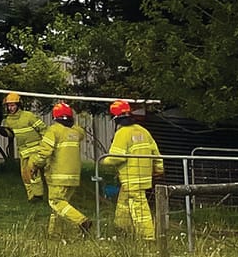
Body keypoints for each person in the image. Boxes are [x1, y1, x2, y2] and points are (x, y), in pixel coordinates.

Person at [25, 102, 91, 236]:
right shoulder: (76, 132)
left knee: (56, 202)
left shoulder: (54, 131)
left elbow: (44, 152)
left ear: (55, 117)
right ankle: (54, 234)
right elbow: (80, 130)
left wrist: (36, 165)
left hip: (57, 176)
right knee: (60, 206)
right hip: (73, 176)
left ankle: (82, 221)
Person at [100, 99, 162, 240]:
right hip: (144, 176)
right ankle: (122, 229)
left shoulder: (122, 133)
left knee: (139, 207)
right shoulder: (143, 131)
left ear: (116, 118)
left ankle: (147, 237)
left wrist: (104, 161)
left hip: (131, 177)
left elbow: (116, 157)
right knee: (123, 203)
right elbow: (156, 153)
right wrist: (159, 169)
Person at [1, 92, 46, 202]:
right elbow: (11, 135)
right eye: (9, 105)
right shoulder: (8, 120)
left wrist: (46, 145)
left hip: (36, 148)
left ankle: (38, 194)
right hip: (23, 151)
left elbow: (43, 129)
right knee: (25, 174)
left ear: (18, 105)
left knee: (32, 169)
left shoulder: (28, 116)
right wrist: (2, 130)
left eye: (13, 105)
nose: (11, 108)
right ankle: (31, 197)